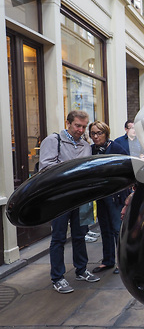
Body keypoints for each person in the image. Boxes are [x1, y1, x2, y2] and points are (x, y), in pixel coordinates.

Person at [38, 110, 100, 293]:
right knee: (58, 238)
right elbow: (46, 167)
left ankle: (81, 270)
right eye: (77, 126)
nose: (81, 130)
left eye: (83, 126)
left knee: (80, 235)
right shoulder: (53, 141)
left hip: (80, 198)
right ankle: (57, 277)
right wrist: (73, 171)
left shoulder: (86, 146)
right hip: (59, 198)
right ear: (68, 123)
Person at [89, 121, 128, 275]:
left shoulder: (116, 147)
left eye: (99, 133)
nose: (96, 136)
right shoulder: (91, 150)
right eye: (93, 133)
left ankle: (122, 263)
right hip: (101, 196)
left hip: (116, 196)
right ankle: (108, 261)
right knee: (104, 229)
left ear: (106, 133)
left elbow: (127, 167)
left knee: (117, 229)